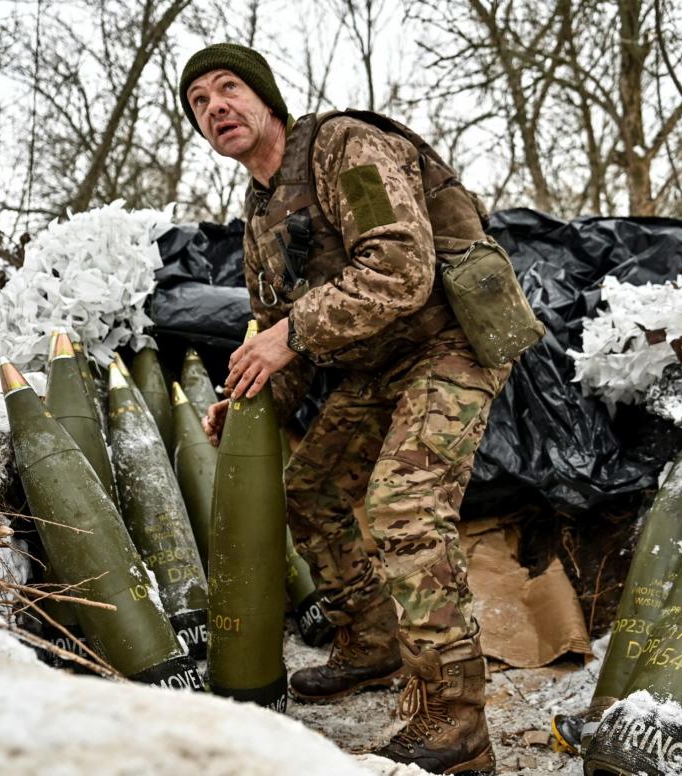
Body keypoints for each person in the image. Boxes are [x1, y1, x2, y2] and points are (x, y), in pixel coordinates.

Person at [181, 43, 509, 776]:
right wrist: (247, 403)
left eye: (228, 88)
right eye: (200, 102)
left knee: (403, 505)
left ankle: (456, 727)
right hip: (376, 360)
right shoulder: (260, 210)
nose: (216, 108)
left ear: (266, 100)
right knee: (311, 490)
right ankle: (372, 643)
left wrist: (288, 335)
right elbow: (281, 336)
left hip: (449, 339)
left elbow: (399, 263)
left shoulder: (342, 147)